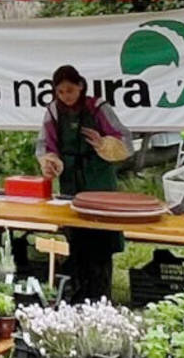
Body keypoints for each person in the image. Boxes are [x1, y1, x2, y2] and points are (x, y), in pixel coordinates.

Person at [36, 64, 133, 302]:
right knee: (76, 240)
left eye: (70, 90)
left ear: (80, 86)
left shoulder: (98, 107)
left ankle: (101, 296)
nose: (65, 96)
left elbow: (124, 141)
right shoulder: (53, 111)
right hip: (71, 184)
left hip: (99, 182)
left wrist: (103, 144)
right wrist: (51, 163)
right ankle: (77, 297)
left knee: (101, 243)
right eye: (60, 92)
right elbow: (46, 146)